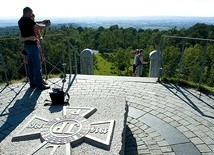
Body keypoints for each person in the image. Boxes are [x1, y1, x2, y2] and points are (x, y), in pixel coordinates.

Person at [18, 7, 50, 90]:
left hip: (27, 46)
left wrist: (42, 21)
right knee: (37, 66)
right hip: (33, 45)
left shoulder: (20, 21)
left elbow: (33, 23)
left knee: (31, 66)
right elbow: (37, 26)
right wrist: (46, 25)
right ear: (28, 13)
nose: (32, 14)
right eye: (31, 13)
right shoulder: (28, 20)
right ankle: (40, 85)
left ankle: (32, 83)